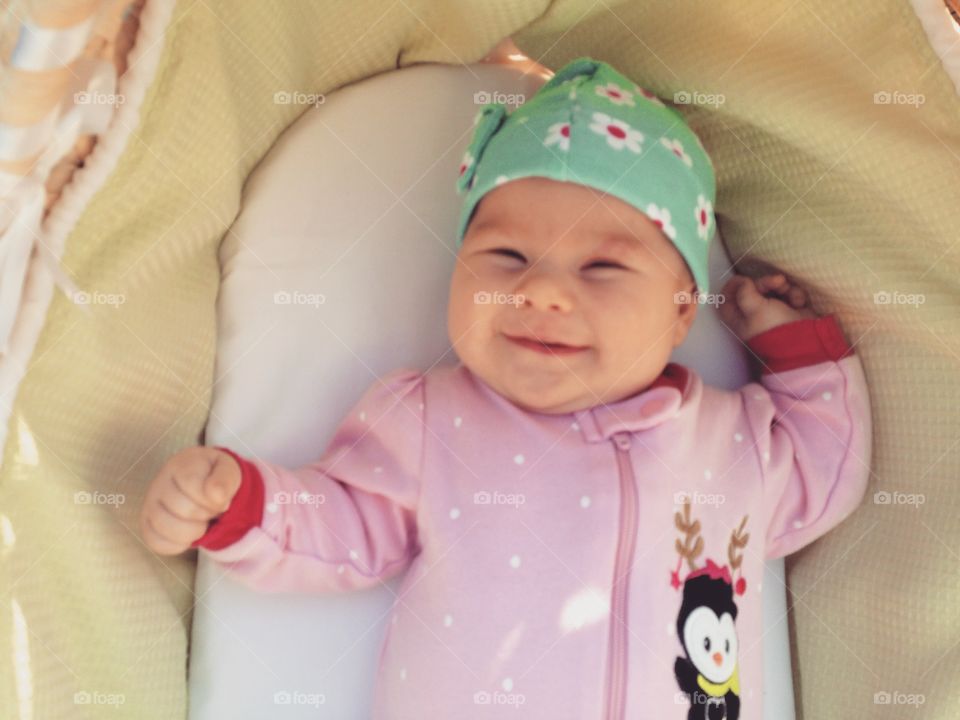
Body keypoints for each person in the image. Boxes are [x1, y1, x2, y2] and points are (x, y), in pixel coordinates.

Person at [140, 57, 871, 719]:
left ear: (683, 311)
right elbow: (345, 528)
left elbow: (826, 462)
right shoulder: (432, 421)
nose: (543, 292)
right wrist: (241, 502)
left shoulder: (734, 441)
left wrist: (792, 344)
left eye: (601, 269)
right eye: (507, 255)